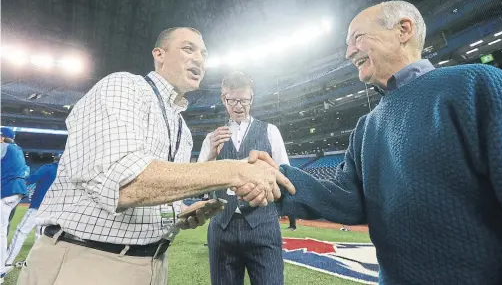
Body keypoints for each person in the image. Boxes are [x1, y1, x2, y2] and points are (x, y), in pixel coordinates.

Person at [236, 0, 502, 284]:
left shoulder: (478, 85)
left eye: (357, 38)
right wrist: (277, 179)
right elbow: (348, 200)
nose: (347, 53)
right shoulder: (366, 126)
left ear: (403, 30)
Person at [18, 27, 294, 285]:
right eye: (188, 48)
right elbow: (125, 185)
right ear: (159, 55)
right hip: (88, 260)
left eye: (203, 53)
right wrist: (234, 170)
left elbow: (154, 194)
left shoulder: (181, 128)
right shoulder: (124, 87)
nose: (199, 58)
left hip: (151, 263)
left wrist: (178, 214)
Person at [198, 72, 290, 285]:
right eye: (232, 100)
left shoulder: (270, 131)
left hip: (263, 225)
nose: (238, 106)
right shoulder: (211, 138)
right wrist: (211, 154)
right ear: (223, 99)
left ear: (252, 98)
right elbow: (199, 185)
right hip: (222, 228)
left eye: (244, 100)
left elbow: (284, 174)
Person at [3, 154, 61, 275]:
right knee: (40, 236)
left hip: (38, 207)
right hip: (53, 209)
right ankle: (34, 263)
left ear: (55, 159)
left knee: (21, 232)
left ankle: (7, 262)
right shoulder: (65, 172)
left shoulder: (49, 168)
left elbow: (31, 179)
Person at [1, 127, 29, 281]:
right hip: (16, 192)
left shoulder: (4, 147)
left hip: (7, 191)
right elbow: (27, 171)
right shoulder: (17, 149)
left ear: (2, 138)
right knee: (3, 228)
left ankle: (0, 271)